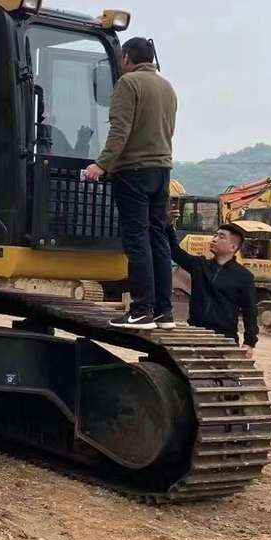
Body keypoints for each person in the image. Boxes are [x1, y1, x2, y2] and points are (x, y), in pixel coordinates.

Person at [82, 37, 177, 329]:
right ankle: (164, 312)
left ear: (126, 58)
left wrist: (102, 164)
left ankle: (141, 310)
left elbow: (120, 129)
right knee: (157, 238)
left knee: (137, 240)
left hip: (134, 171)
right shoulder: (167, 87)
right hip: (161, 170)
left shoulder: (128, 83)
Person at [168, 220, 259, 347]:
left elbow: (250, 311)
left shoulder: (244, 276)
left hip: (224, 338)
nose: (214, 239)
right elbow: (175, 252)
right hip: (195, 333)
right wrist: (168, 226)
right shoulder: (200, 266)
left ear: (233, 248)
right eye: (215, 235)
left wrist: (249, 342)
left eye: (221, 237)